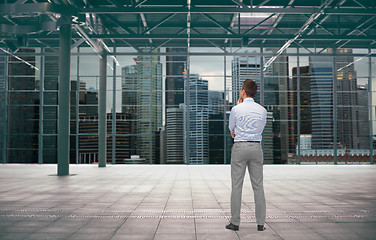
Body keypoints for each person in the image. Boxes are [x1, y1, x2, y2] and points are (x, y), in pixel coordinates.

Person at [226, 79, 267, 232]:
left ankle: (235, 223)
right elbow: (261, 128)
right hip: (256, 148)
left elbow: (231, 128)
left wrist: (238, 106)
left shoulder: (236, 109)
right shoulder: (262, 110)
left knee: (237, 185)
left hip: (240, 147)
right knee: (258, 186)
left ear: (243, 91)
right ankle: (260, 224)